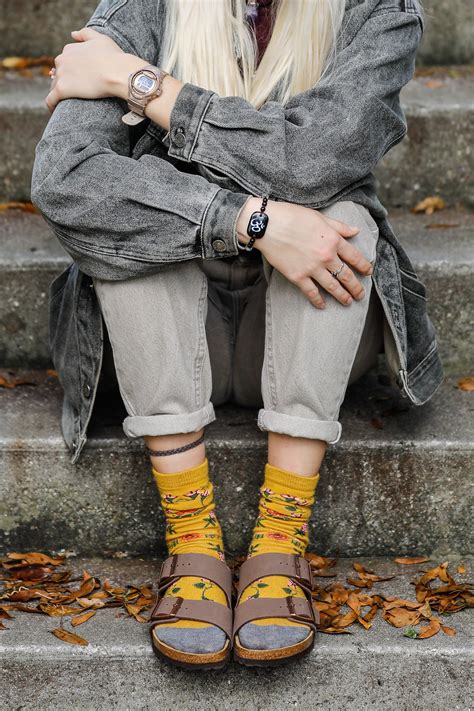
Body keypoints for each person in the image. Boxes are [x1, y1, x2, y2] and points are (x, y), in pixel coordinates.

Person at [31, 0, 441, 669]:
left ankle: (280, 538)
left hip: (301, 330)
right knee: (134, 224)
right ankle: (192, 539)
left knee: (343, 218)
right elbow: (66, 181)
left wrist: (142, 85)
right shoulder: (142, 6)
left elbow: (314, 159)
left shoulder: (378, 10)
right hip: (168, 332)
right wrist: (250, 220)